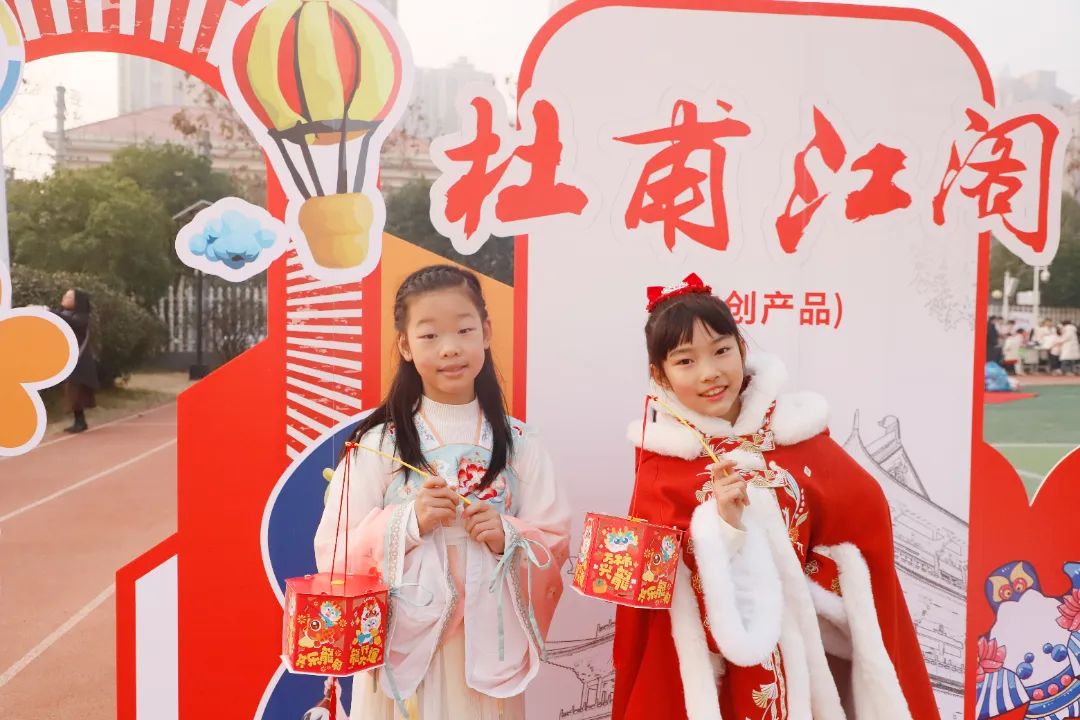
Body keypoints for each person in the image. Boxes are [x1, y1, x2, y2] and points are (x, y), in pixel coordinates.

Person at [613, 274, 939, 720]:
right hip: (714, 673)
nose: (710, 373)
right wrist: (722, 528)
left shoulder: (794, 435)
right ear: (660, 374)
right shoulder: (663, 464)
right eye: (686, 361)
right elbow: (650, 600)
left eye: (721, 351)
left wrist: (809, 588)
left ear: (741, 348)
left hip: (804, 655)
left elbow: (862, 519)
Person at [314, 265, 570, 719]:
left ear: (486, 332)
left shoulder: (521, 444)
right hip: (404, 647)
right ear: (405, 345)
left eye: (464, 330)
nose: (450, 348)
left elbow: (554, 539)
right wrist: (408, 522)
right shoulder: (379, 444)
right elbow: (333, 552)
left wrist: (507, 536)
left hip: (487, 644)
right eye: (430, 336)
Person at [51, 289, 98, 433]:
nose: (64, 298)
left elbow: (71, 322)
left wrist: (48, 311)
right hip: (69, 362)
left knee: (75, 391)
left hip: (80, 362)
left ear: (77, 301)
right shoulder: (64, 315)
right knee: (72, 391)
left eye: (69, 296)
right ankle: (79, 420)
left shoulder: (82, 318)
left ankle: (80, 422)